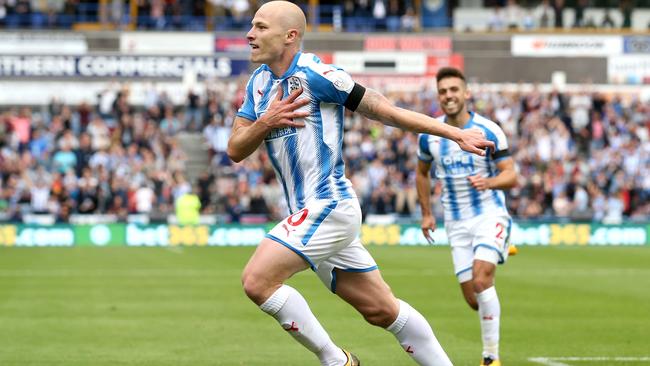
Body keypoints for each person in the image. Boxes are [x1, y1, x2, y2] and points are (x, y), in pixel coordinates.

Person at [227, 2, 494, 365]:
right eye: (251, 26)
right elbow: (235, 149)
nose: (249, 34)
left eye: (260, 27)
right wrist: (265, 122)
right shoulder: (257, 84)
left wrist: (453, 133)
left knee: (257, 282)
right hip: (308, 214)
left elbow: (387, 111)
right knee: (383, 311)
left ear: (290, 36)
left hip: (329, 206)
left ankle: (337, 361)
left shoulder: (318, 75)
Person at [415, 67, 518, 366]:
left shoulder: (488, 130)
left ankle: (491, 358)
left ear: (466, 93)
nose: (448, 96)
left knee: (482, 280)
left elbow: (511, 175)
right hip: (456, 223)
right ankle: (500, 247)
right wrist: (426, 214)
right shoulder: (431, 135)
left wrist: (490, 182)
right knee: (474, 298)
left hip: (489, 213)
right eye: (443, 91)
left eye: (454, 90)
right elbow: (421, 174)